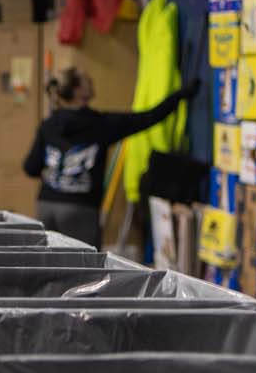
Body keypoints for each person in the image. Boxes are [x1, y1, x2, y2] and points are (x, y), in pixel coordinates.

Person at [23, 67, 200, 248]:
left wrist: (59, 174)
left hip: (46, 204)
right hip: (81, 208)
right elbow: (148, 117)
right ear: (77, 91)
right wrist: (181, 95)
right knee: (87, 269)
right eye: (87, 81)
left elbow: (30, 168)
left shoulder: (48, 125)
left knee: (49, 265)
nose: (91, 84)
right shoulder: (99, 124)